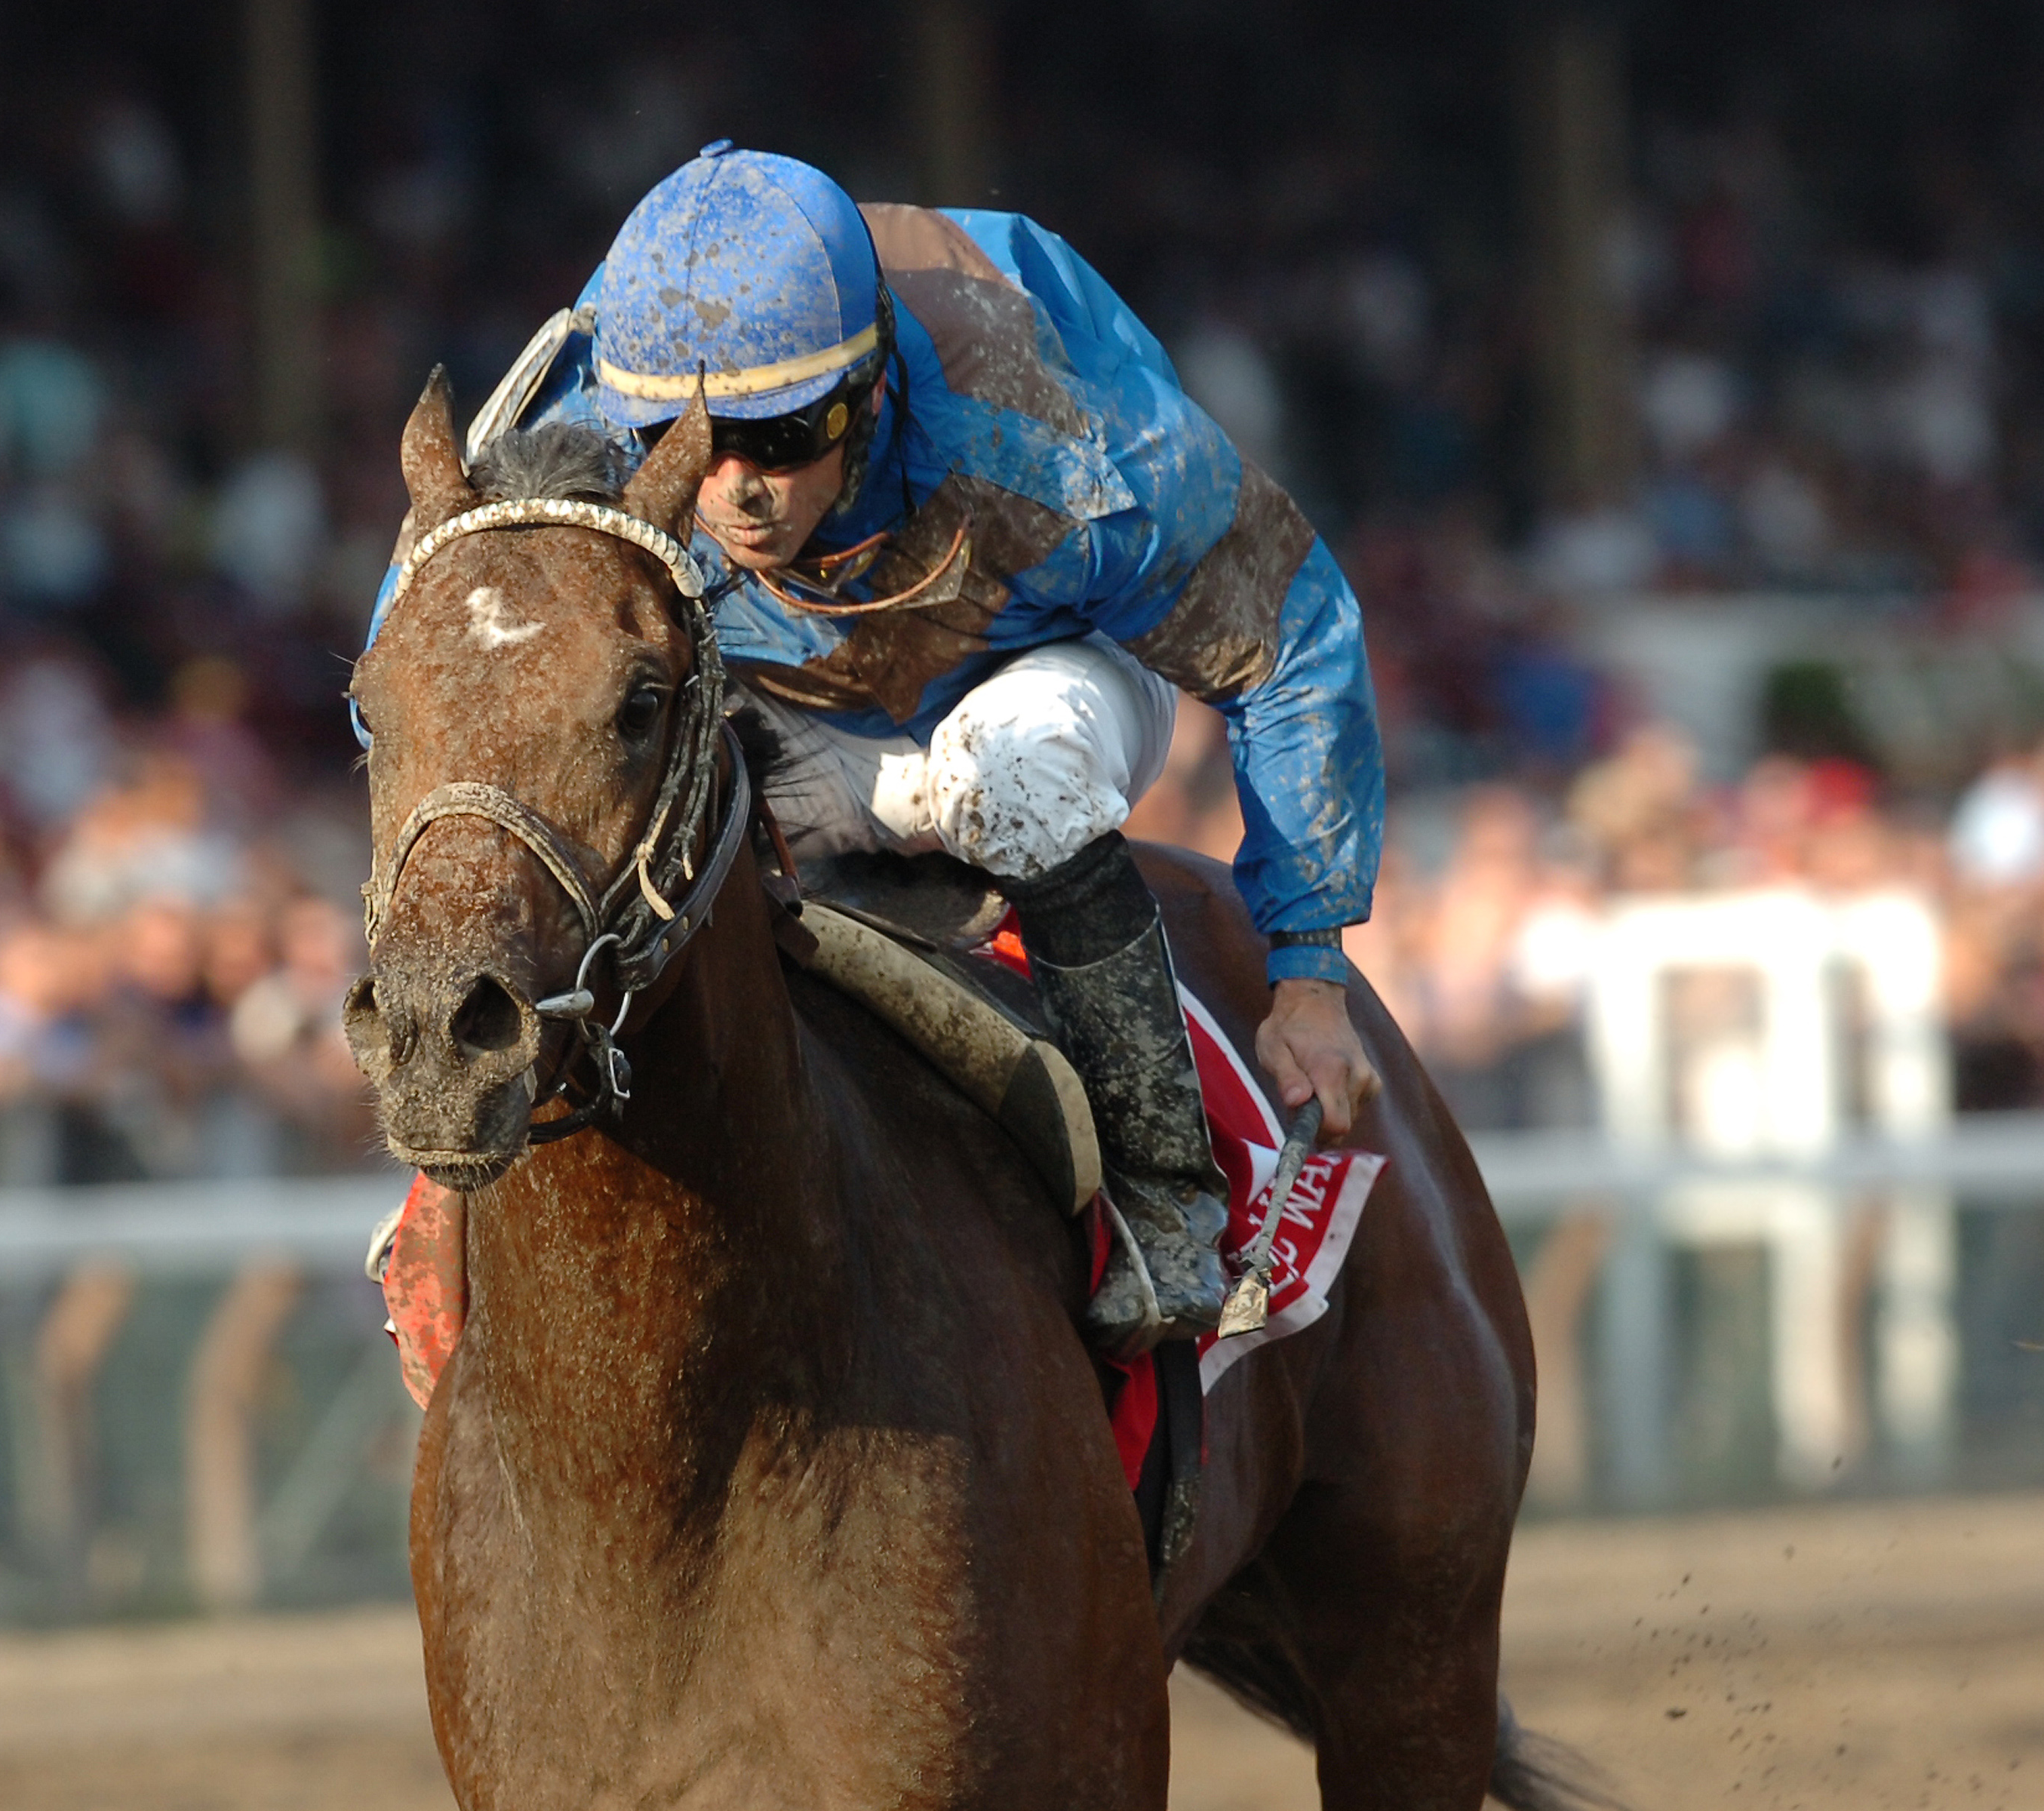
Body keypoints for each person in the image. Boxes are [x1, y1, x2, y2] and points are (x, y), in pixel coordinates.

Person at [362, 145, 1385, 1354]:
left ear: (873, 381)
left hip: (1042, 673)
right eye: (689, 443)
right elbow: (431, 694)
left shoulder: (1054, 433)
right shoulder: (579, 417)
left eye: (787, 434)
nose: (737, 492)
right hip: (777, 714)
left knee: (1008, 774)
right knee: (602, 767)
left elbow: (1292, 632)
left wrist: (1309, 969)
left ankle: (1167, 1194)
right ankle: (449, 1198)